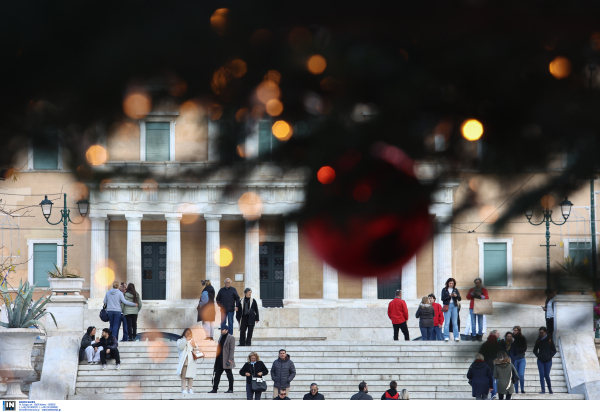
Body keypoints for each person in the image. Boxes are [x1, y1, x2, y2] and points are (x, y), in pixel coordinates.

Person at [208, 328, 236, 393]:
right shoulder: (220, 337)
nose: (221, 331)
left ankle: (231, 389)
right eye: (221, 329)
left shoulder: (231, 338)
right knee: (217, 375)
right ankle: (215, 389)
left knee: (229, 375)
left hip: (226, 360)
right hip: (219, 360)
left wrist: (230, 359)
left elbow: (232, 349)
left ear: (227, 330)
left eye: (223, 329)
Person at [533, 326, 556, 394]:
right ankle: (543, 389)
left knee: (546, 375)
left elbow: (554, 350)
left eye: (542, 333)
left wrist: (549, 356)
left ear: (545, 332)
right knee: (541, 375)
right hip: (540, 360)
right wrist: (538, 356)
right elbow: (534, 350)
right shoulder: (538, 340)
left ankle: (549, 388)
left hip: (548, 361)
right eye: (540, 333)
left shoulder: (550, 340)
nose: (541, 334)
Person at [479, 329, 502, 399]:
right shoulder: (498, 345)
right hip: (496, 364)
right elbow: (501, 354)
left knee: (490, 380)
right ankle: (495, 392)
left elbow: (480, 355)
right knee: (495, 379)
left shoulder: (484, 345)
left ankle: (493, 393)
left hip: (487, 365)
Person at [177, 328, 200, 394]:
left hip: (191, 361)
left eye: (189, 333)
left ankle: (190, 389)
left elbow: (197, 349)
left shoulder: (193, 341)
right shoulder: (180, 340)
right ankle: (184, 389)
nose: (188, 334)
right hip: (184, 361)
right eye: (186, 332)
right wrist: (185, 340)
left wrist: (194, 345)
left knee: (190, 376)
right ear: (184, 333)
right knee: (183, 376)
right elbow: (180, 347)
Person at [512, 326, 527, 394]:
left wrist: (517, 349)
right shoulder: (512, 338)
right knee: (515, 375)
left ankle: (522, 389)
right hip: (515, 359)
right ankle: (516, 390)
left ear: (519, 331)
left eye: (516, 330)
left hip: (521, 358)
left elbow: (524, 348)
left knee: (521, 374)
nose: (514, 331)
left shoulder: (522, 338)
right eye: (514, 330)